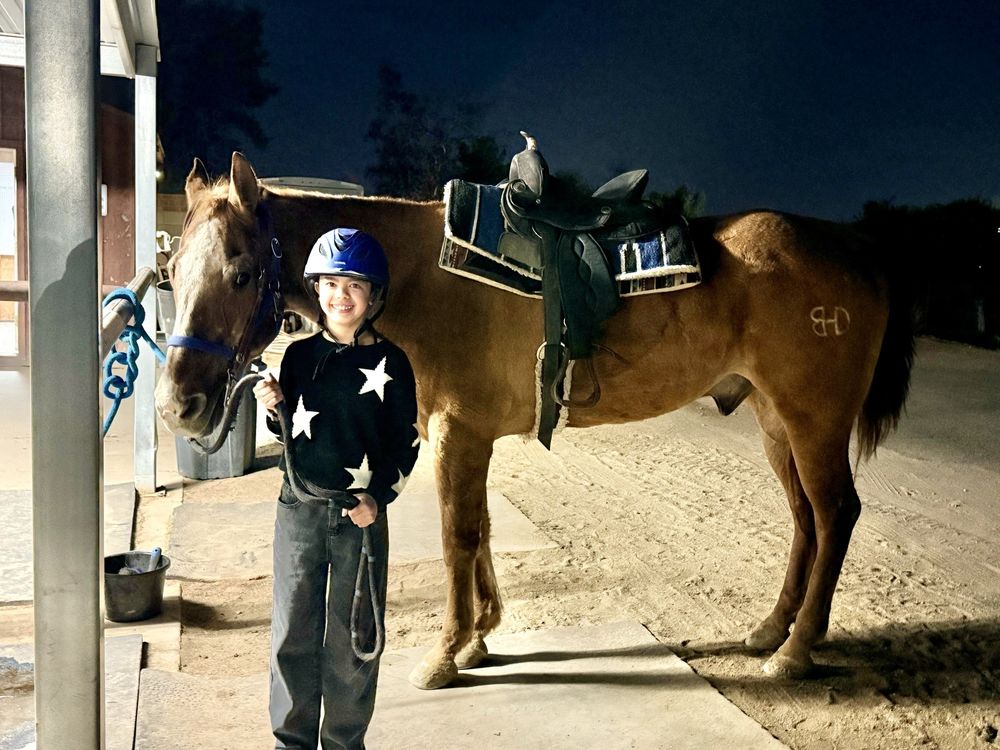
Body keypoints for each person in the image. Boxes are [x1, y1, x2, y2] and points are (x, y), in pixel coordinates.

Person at [253, 227, 419, 750]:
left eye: (353, 285)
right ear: (315, 290)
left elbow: (406, 445)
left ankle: (345, 743)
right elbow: (292, 439)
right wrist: (274, 408)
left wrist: (380, 498)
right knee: (292, 636)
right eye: (328, 283)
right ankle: (291, 742)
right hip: (298, 512)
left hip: (360, 518)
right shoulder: (298, 358)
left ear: (373, 296)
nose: (339, 296)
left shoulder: (394, 364)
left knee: (353, 640)